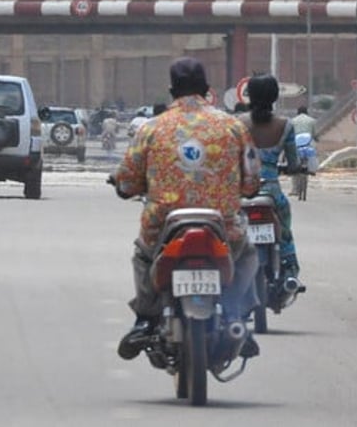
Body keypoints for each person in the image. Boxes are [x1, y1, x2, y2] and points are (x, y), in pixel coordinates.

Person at [109, 57, 261, 361]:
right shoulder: (233, 126)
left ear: (171, 90)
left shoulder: (151, 129)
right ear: (207, 90)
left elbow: (127, 180)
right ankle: (234, 315)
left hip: (163, 228)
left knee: (143, 256)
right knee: (246, 256)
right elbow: (252, 180)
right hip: (223, 228)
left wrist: (124, 187)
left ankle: (145, 319)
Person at [237, 74, 305, 296]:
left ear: (249, 95)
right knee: (284, 230)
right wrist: (292, 168)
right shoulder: (285, 126)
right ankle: (290, 271)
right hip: (272, 192)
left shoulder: (237, 125)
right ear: (275, 96)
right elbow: (293, 162)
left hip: (243, 192)